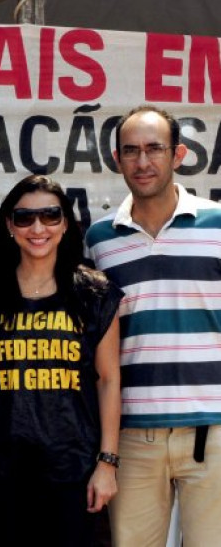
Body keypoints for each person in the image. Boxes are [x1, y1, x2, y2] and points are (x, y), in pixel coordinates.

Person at [85, 105, 221, 547]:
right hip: (132, 437)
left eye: (154, 149)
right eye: (131, 151)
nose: (143, 162)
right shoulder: (99, 239)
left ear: (178, 154)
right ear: (116, 158)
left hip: (214, 431)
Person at [0, 175, 122, 547]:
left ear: (65, 225)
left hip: (74, 465)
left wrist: (107, 462)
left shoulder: (94, 292)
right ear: (9, 225)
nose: (38, 228)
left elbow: (108, 380)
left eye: (50, 216)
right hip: (4, 466)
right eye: (25, 218)